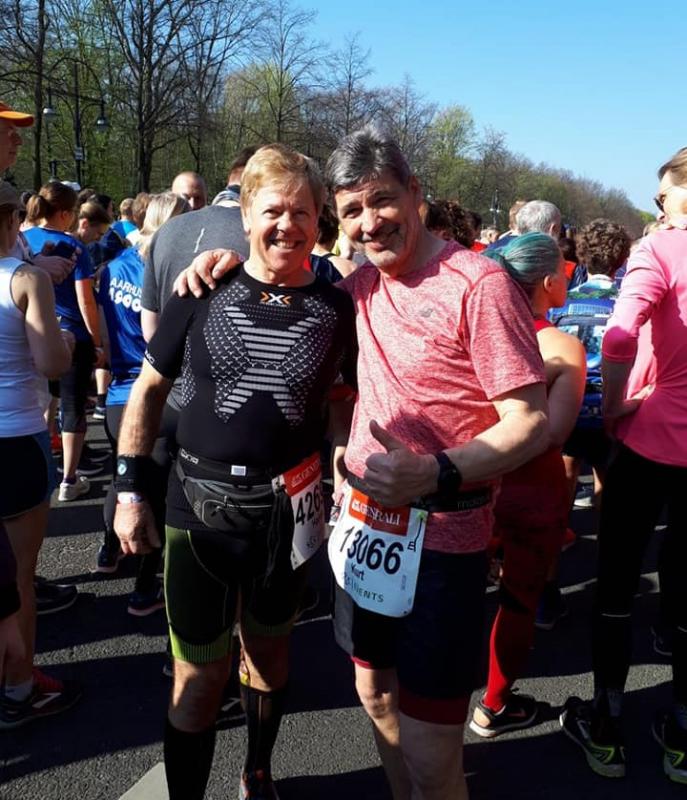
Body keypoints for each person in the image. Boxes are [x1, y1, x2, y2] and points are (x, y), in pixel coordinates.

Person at [176, 127, 549, 800]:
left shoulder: (479, 284)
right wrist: (222, 263)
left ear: (415, 193)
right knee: (374, 695)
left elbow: (530, 422)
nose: (369, 222)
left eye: (382, 201)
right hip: (366, 530)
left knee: (432, 747)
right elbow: (290, 290)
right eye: (351, 210)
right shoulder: (356, 287)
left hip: (444, 539)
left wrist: (436, 471)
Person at [114, 144, 357, 800]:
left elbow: (342, 396)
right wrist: (129, 490)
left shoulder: (337, 308)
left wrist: (340, 461)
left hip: (288, 512)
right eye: (273, 210)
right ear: (245, 214)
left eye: (302, 212)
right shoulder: (203, 288)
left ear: (319, 220)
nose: (287, 225)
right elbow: (148, 390)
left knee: (270, 660)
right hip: (198, 510)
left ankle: (257, 772)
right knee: (197, 681)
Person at [560, 147, 687, 785]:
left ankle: (607, 723)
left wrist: (612, 406)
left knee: (615, 588)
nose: (657, 208)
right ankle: (682, 734)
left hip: (649, 440)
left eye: (663, 196)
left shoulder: (659, 249)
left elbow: (617, 336)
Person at [469, 233, 585, 738]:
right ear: (549, 282)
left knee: (451, 590)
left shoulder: (470, 333)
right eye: (564, 271)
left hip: (470, 478)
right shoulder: (564, 348)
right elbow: (551, 434)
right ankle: (494, 703)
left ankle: (432, 699)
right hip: (530, 491)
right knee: (518, 601)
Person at [0, 181, 81, 728]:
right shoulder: (25, 279)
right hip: (15, 439)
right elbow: (52, 363)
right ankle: (19, 689)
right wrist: (67, 345)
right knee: (17, 577)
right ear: (12, 221)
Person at [95, 192, 190, 620]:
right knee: (158, 493)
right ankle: (145, 588)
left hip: (117, 395)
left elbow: (102, 327)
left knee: (124, 478)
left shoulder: (112, 268)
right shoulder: (169, 271)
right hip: (153, 395)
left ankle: (109, 550)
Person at [24, 182, 107, 500]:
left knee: (45, 401)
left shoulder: (23, 240)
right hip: (72, 332)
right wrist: (97, 340)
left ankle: (44, 466)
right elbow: (85, 299)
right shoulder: (72, 246)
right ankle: (69, 480)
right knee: (72, 406)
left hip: (35, 331)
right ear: (64, 213)